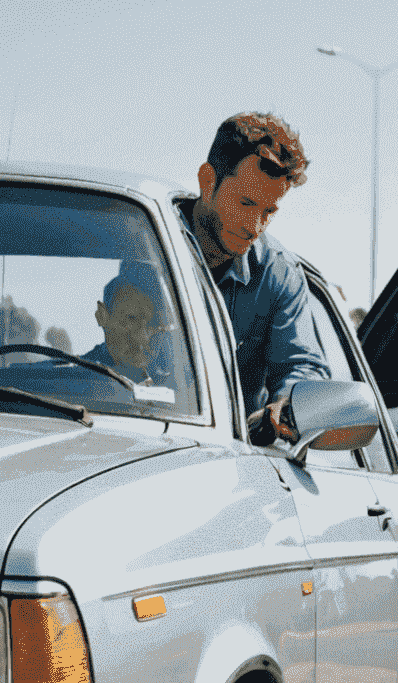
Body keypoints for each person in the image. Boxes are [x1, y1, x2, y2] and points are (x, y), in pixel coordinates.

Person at [182, 112, 328, 443]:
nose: (254, 225)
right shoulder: (149, 242)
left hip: (240, 458)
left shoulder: (278, 275)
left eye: (268, 211)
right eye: (245, 202)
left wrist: (288, 404)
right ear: (208, 182)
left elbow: (301, 367)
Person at [82, 262, 165, 382]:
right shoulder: (70, 380)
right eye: (131, 319)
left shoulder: (182, 389)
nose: (143, 337)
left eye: (154, 326)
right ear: (102, 315)